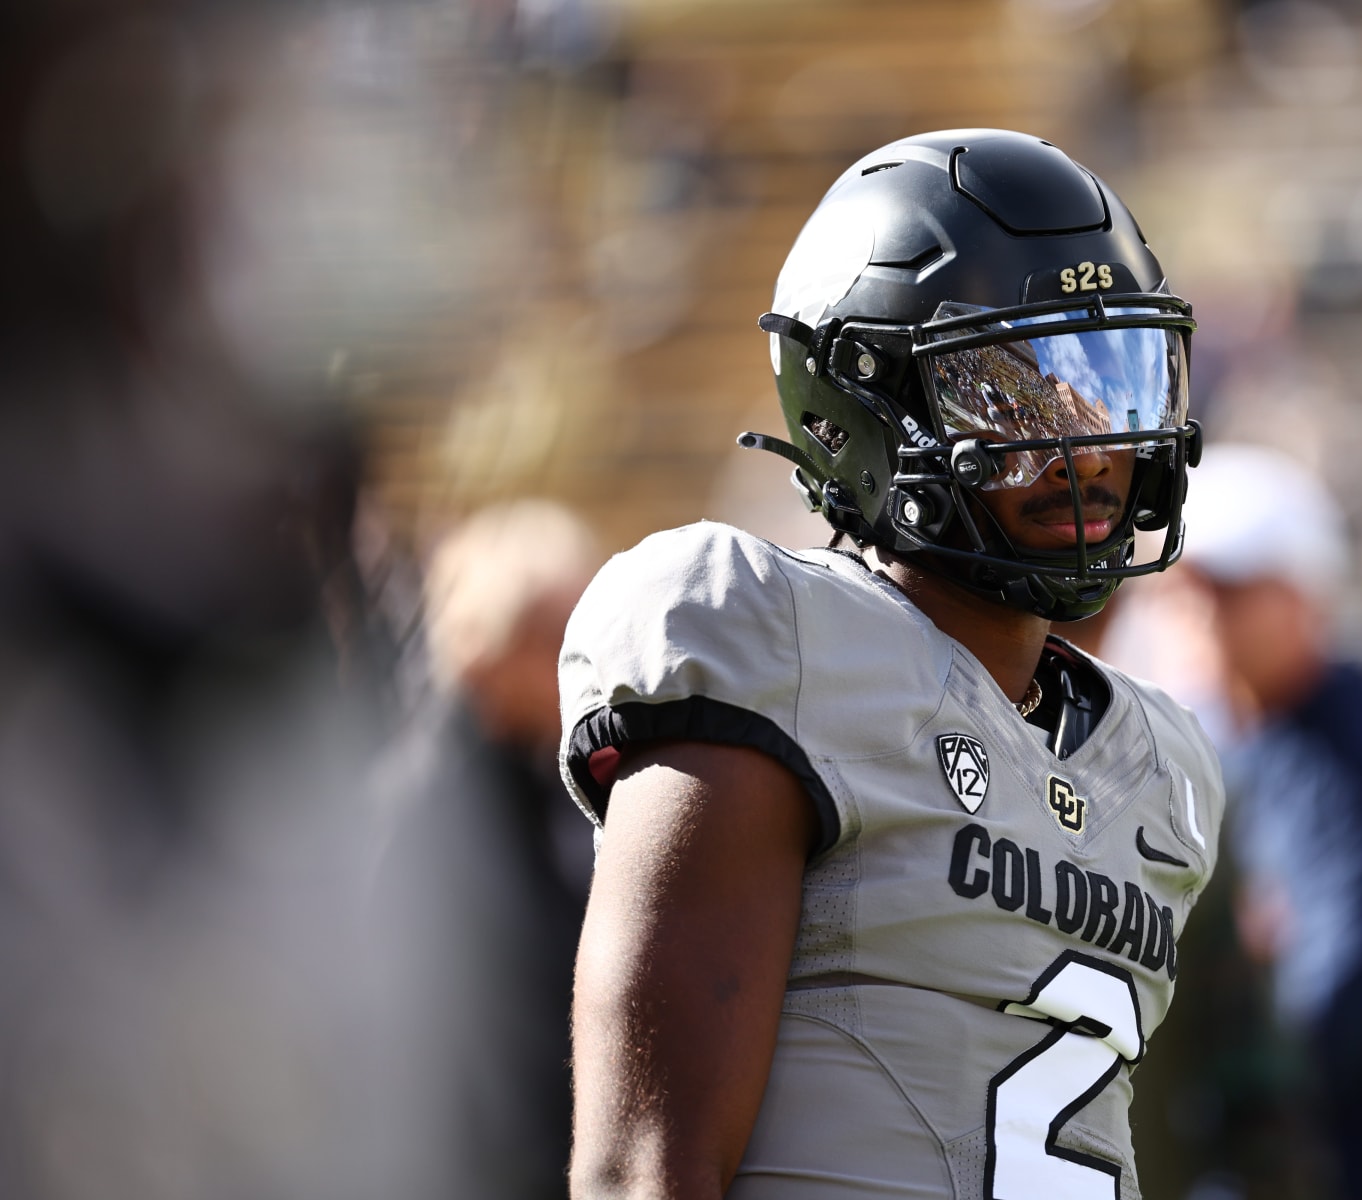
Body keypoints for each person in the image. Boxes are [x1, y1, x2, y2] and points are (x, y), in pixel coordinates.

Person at [556, 129, 1227, 1199]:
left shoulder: (1164, 762)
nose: (1093, 446)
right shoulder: (770, 640)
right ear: (862, 403)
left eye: (1117, 383)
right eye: (1015, 399)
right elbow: (644, 1171)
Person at [1174, 444, 1362, 1200]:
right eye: (1195, 588)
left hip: (1361, 1160)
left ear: (1306, 596)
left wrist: (1232, 1099)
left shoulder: (1359, 752)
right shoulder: (1252, 738)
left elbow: (1361, 967)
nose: (1206, 614)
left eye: (1233, 590)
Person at [369, 500, 604, 1200]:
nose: (584, 665)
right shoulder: (426, 808)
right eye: (557, 639)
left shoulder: (550, 773)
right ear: (487, 648)